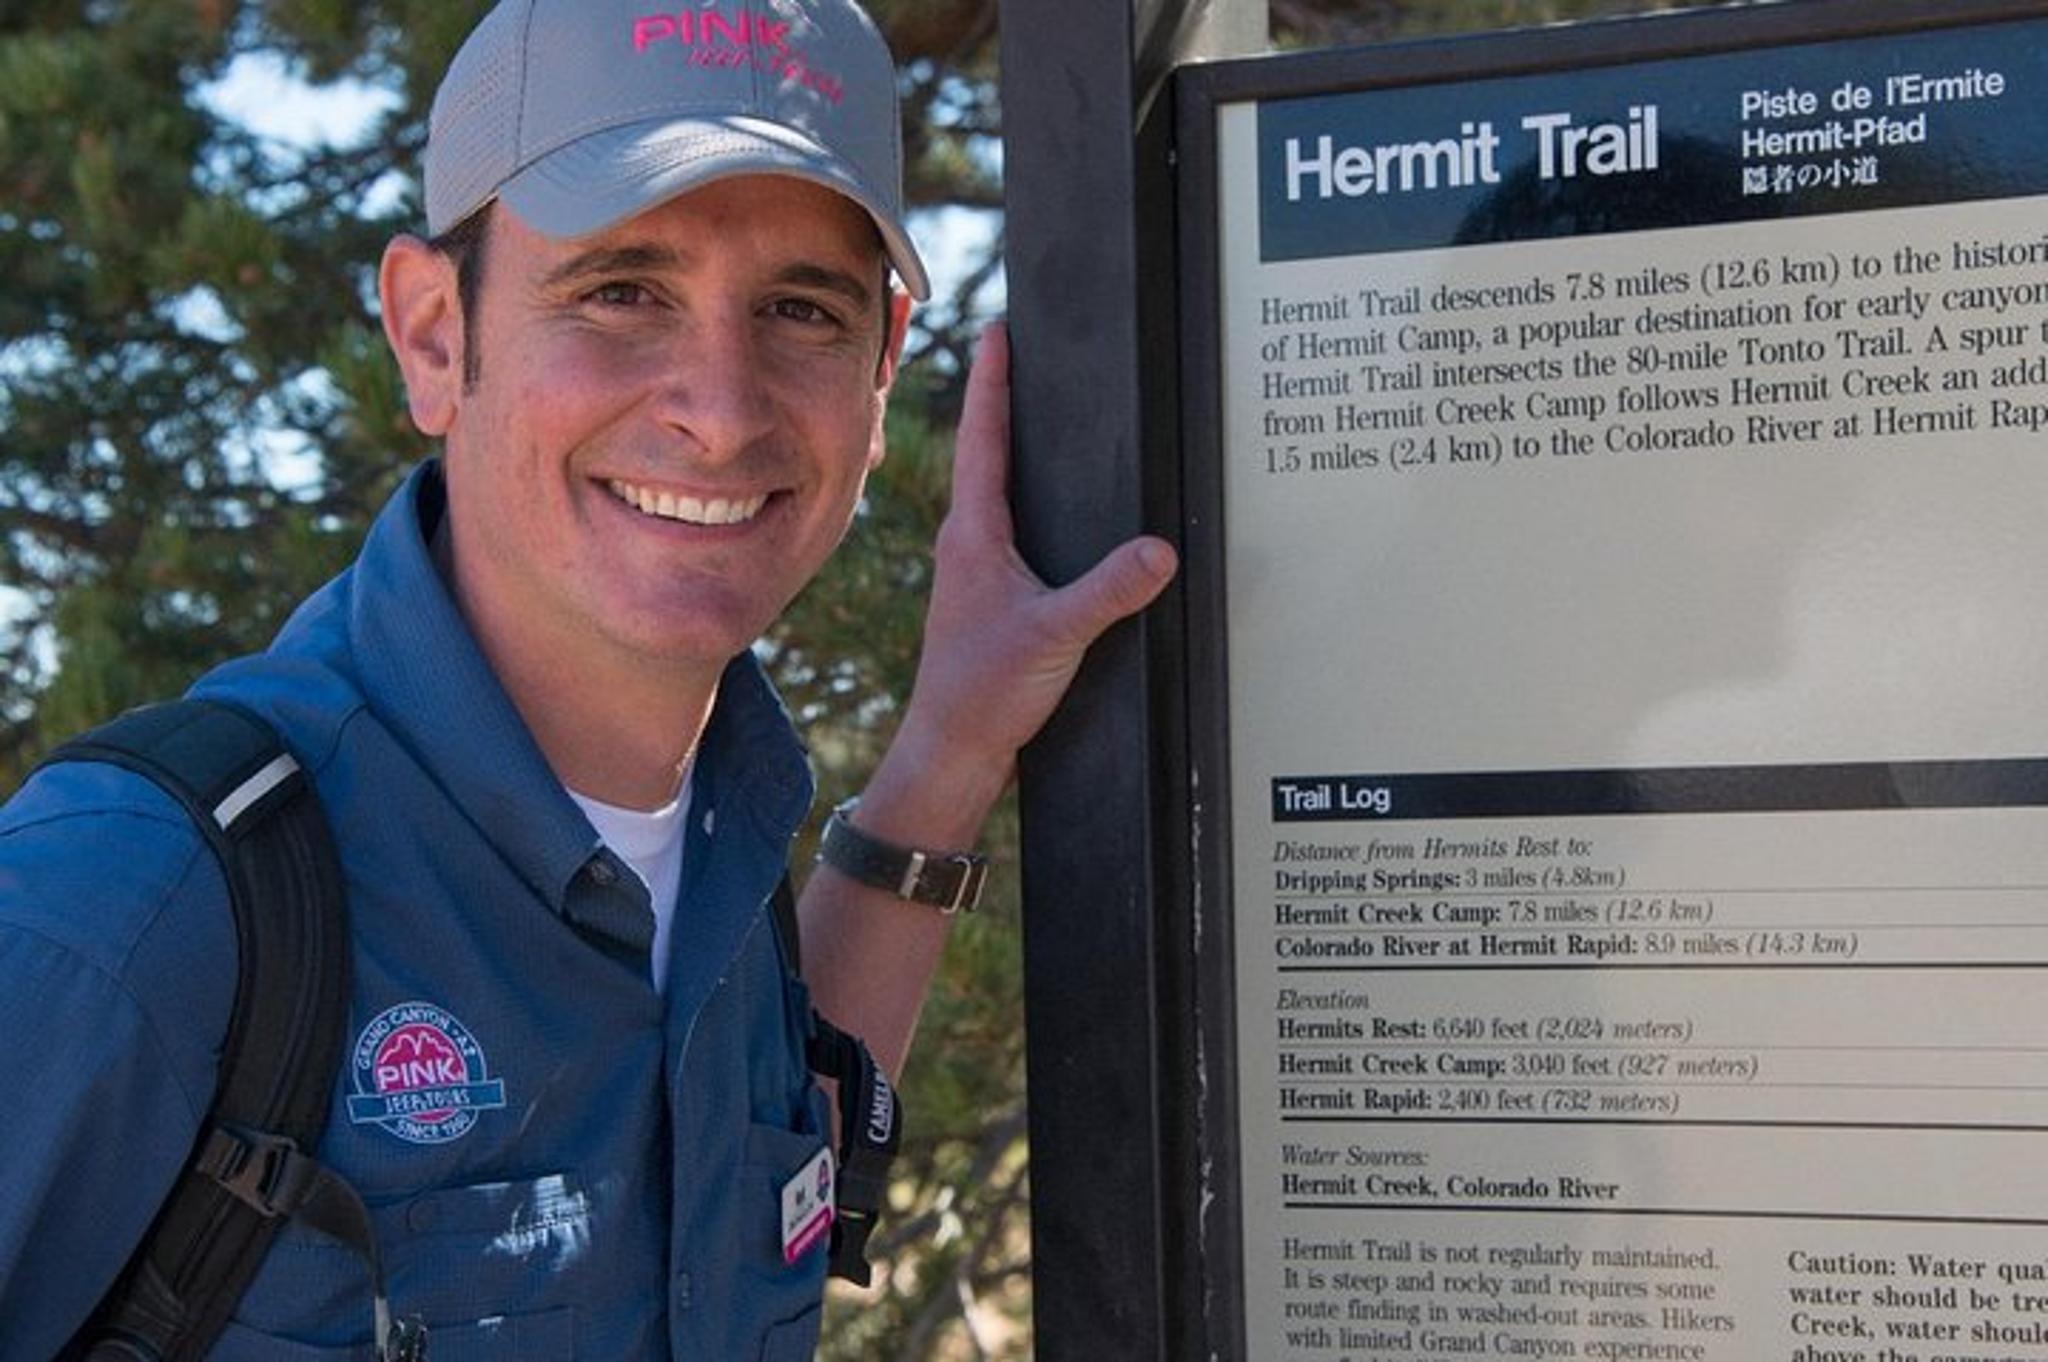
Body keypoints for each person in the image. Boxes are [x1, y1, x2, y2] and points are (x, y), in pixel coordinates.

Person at [0, 0, 1177, 1356]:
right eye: (623, 291)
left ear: (882, 367)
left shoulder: (726, 848)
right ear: (435, 335)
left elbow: (741, 1166)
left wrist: (957, 746)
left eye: (802, 308)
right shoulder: (137, 902)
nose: (722, 407)